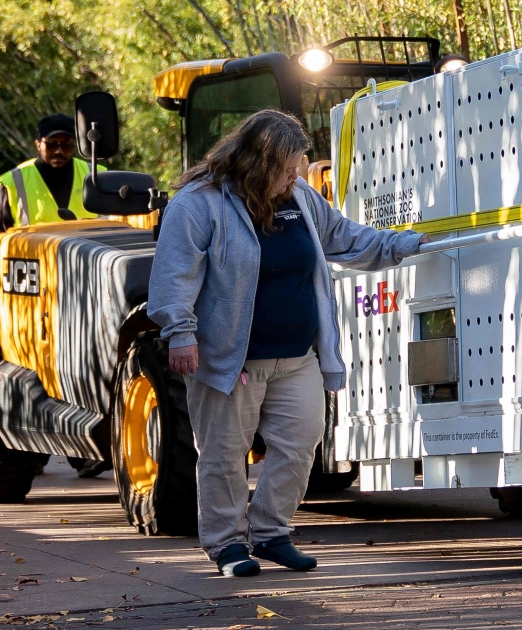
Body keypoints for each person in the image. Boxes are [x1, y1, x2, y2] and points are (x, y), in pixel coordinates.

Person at [147, 109, 428, 577]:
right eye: (288, 166)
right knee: (223, 455)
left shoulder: (299, 197)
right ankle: (227, 546)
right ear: (260, 162)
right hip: (229, 360)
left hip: (297, 357)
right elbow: (174, 277)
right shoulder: (199, 203)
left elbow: (342, 237)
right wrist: (180, 333)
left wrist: (403, 245)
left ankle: (271, 532)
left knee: (301, 444)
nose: (296, 174)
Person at [0, 114, 103, 229]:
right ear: (38, 145)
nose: (59, 151)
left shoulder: (98, 176)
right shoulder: (10, 184)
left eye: (66, 145)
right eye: (51, 144)